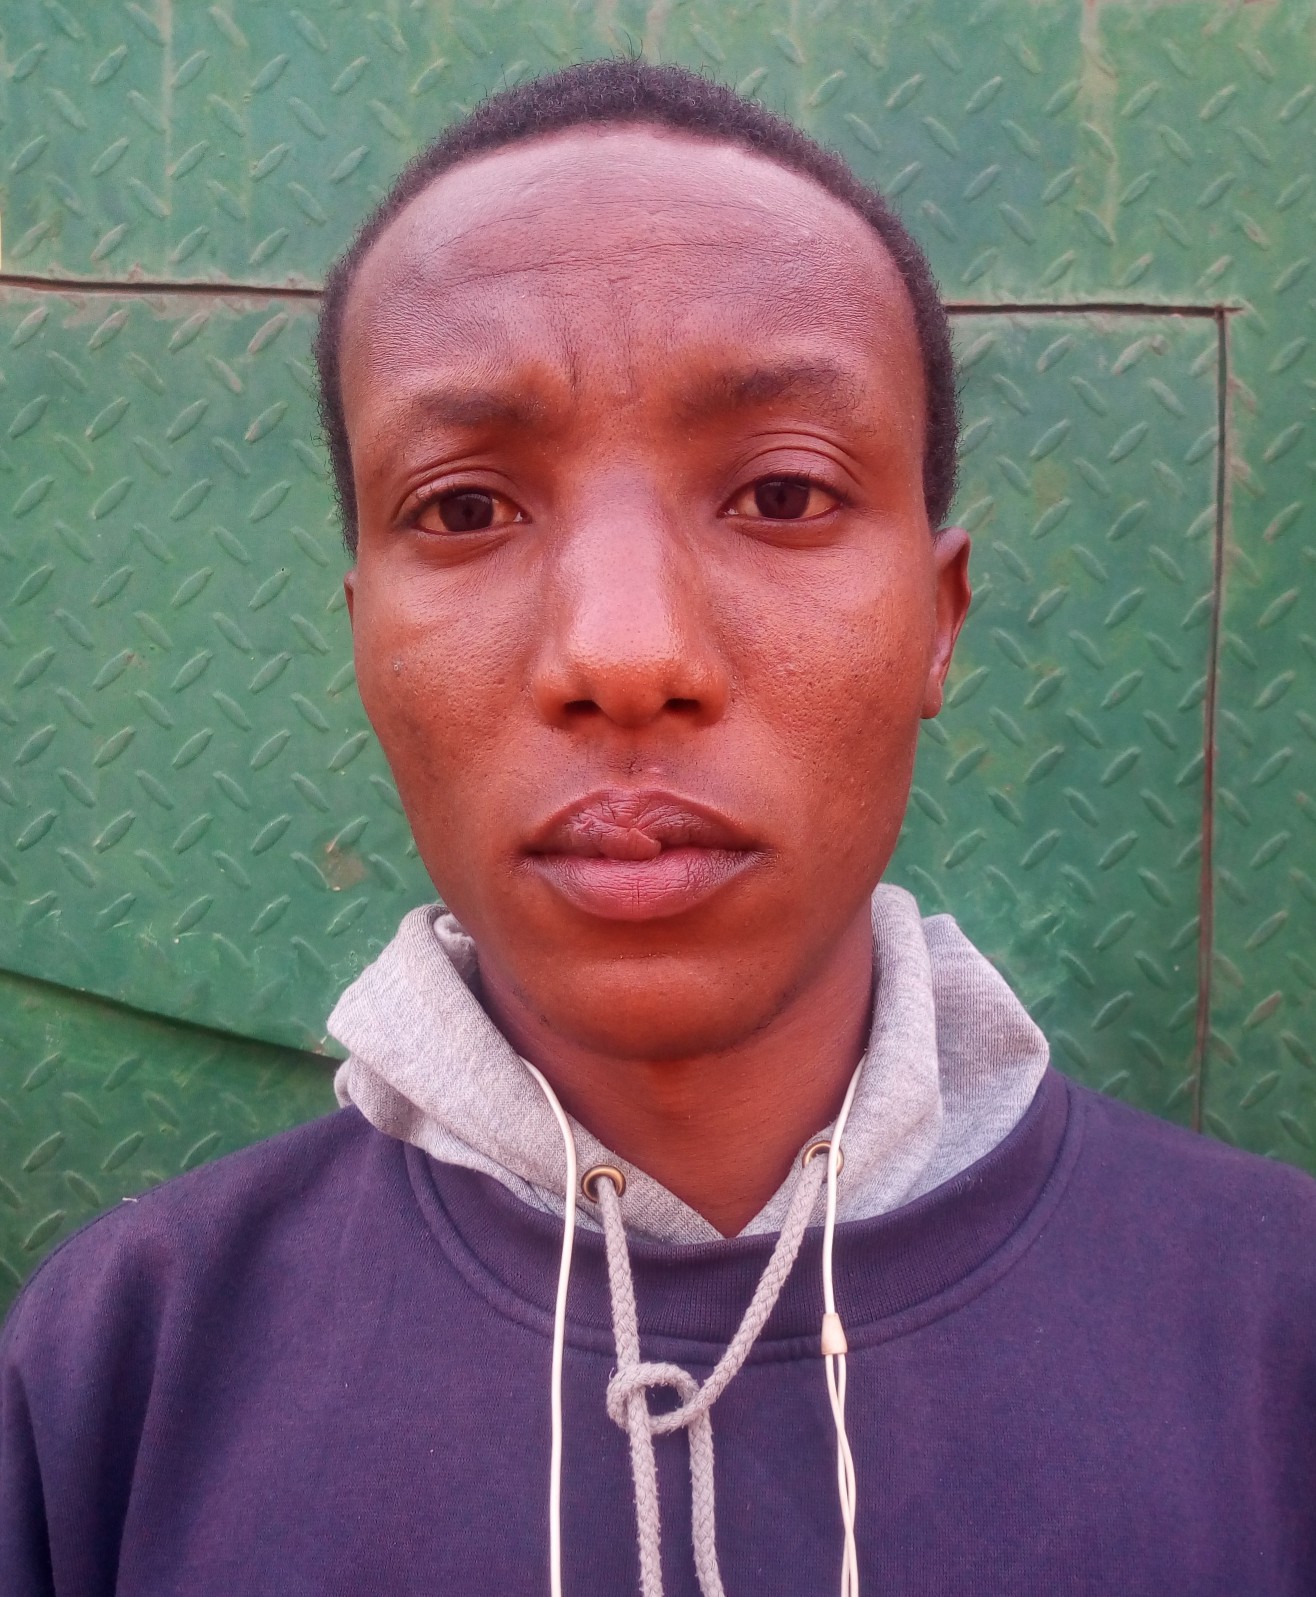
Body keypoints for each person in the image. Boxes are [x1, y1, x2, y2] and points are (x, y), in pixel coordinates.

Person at [2, 59, 1313, 1597]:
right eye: (466, 509)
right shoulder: (122, 1366)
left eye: (784, 492)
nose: (624, 652)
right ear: (364, 642)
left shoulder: (1276, 1329)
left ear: (938, 620)